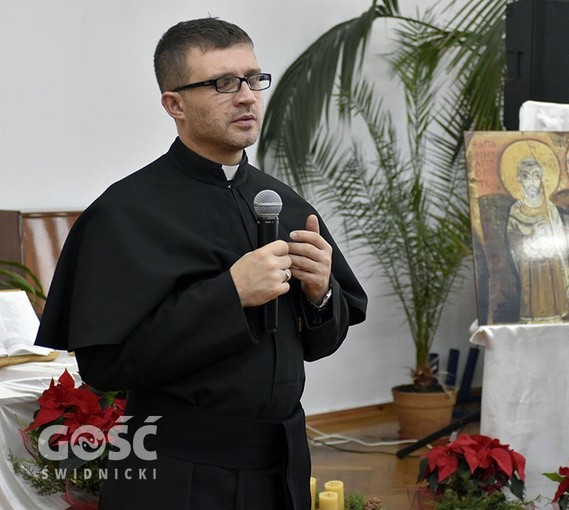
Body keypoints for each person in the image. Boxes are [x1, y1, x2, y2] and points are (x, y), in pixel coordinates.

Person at [35, 18, 367, 510]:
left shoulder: (288, 206)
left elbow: (321, 342)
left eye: (253, 79)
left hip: (282, 468)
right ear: (175, 104)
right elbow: (106, 366)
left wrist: (321, 296)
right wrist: (230, 296)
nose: (248, 96)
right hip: (175, 470)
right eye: (222, 83)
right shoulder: (124, 214)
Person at [503, 157, 569, 323]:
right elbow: (511, 239)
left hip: (552, 273)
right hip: (529, 273)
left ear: (541, 178)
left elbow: (561, 245)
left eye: (536, 176)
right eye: (526, 176)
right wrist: (531, 236)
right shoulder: (516, 210)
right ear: (519, 179)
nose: (532, 182)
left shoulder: (550, 209)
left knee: (556, 318)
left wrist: (568, 282)